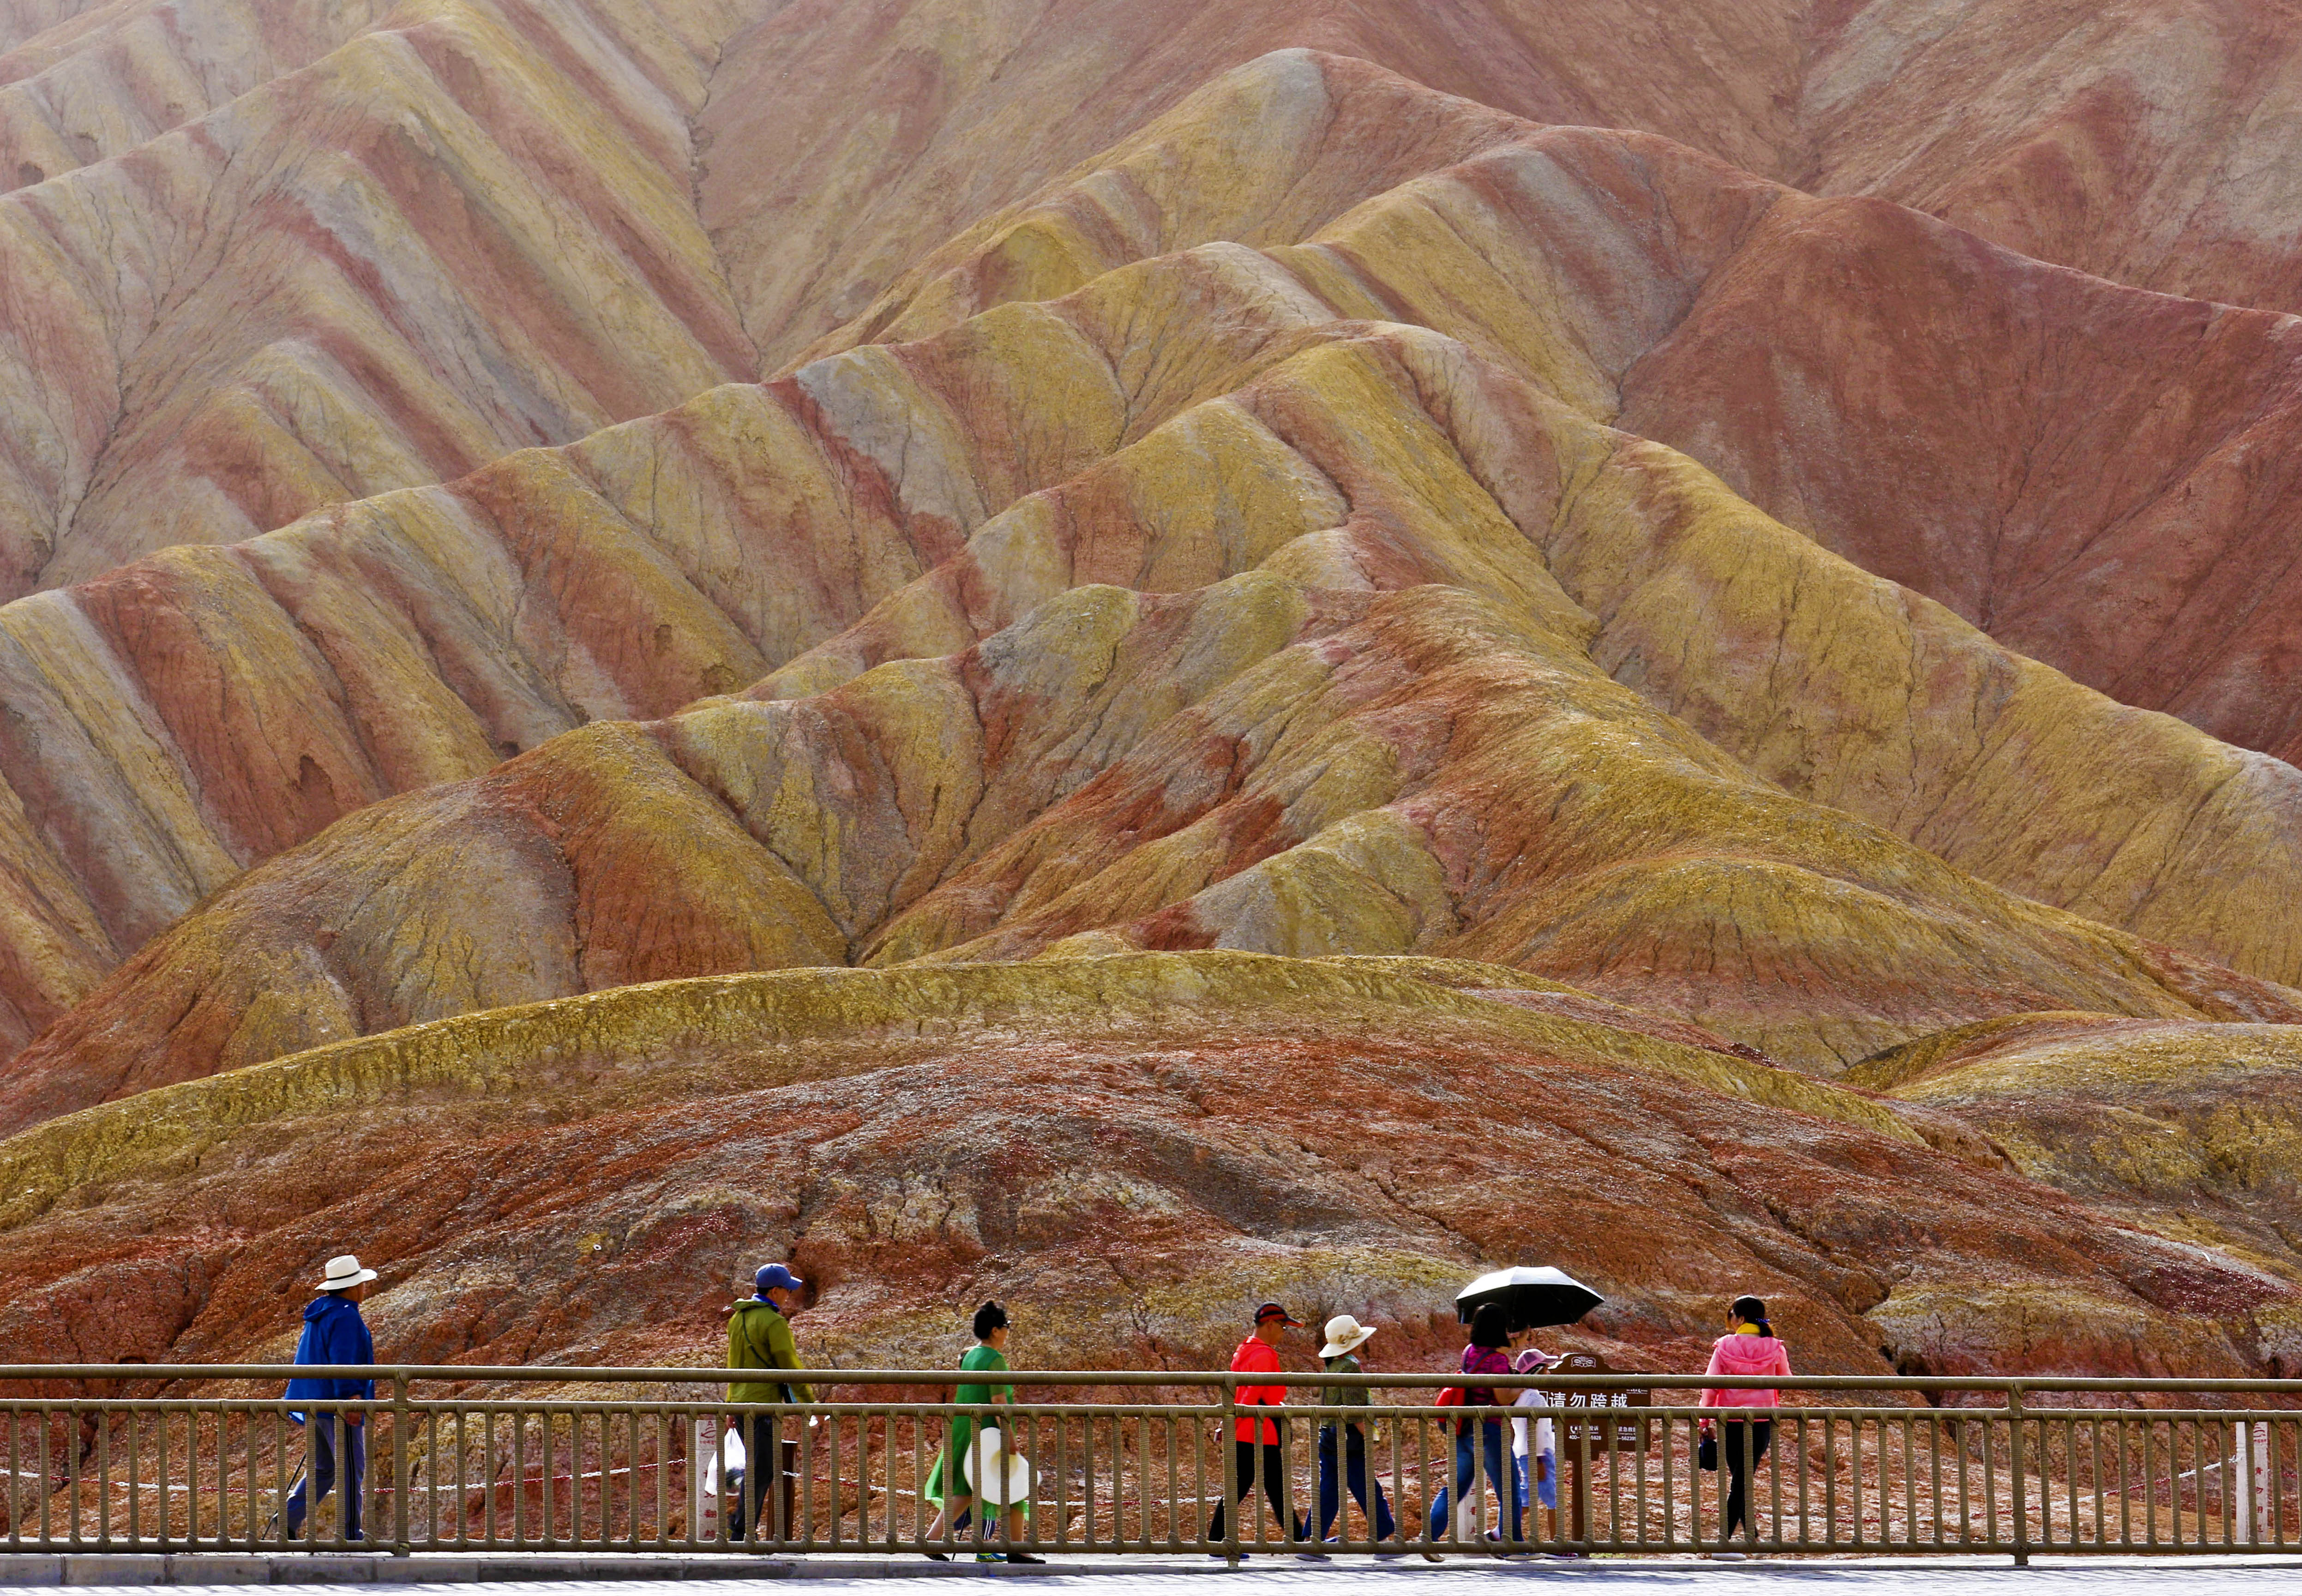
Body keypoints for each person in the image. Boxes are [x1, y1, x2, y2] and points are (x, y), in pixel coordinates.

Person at [923, 1301, 1041, 1565]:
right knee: (1010, 1484)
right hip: (987, 1431)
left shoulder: (971, 1356)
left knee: (970, 1487)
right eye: (1007, 1327)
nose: (1008, 1332)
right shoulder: (995, 1359)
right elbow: (999, 1400)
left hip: (964, 1427)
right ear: (996, 1331)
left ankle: (933, 1540)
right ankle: (1016, 1547)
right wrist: (1010, 1438)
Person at [282, 1254, 378, 1543]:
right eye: (361, 1283)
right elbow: (343, 1361)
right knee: (351, 1467)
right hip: (337, 1405)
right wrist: (350, 1398)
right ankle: (351, 1533)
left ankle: (288, 1519)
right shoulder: (346, 1315)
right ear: (352, 1287)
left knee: (325, 1469)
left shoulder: (320, 1314)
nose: (364, 1289)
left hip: (313, 1402)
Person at [1206, 1303, 1310, 1553]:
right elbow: (1253, 1393)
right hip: (1259, 1430)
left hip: (1249, 1429)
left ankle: (1297, 1542)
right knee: (1261, 1489)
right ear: (1271, 1325)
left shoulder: (1243, 1350)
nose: (1284, 1333)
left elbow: (1241, 1393)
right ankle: (1218, 1543)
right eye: (1283, 1327)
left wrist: (1229, 1422)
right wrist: (1234, 1420)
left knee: (1266, 1488)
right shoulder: (1264, 1354)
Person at [727, 1263, 814, 1544]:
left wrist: (730, 1404)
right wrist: (811, 1403)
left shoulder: (738, 1319)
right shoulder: (774, 1322)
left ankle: (741, 1529)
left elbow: (733, 1366)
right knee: (762, 1469)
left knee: (758, 1466)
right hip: (763, 1404)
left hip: (741, 1404)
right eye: (787, 1290)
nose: (789, 1295)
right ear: (775, 1291)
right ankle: (742, 1533)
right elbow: (789, 1365)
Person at [1700, 1294, 1791, 1559]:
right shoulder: (1775, 1346)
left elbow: (1710, 1386)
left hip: (1730, 1420)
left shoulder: (1725, 1346)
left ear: (1739, 1318)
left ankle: (1739, 1540)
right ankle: (1729, 1542)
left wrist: (1705, 1421)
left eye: (1731, 1315)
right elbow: (1786, 1380)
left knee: (1740, 1480)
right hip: (1762, 1421)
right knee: (1742, 1481)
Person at [1428, 1303, 1521, 1552]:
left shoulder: (1469, 1352)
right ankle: (1513, 1546)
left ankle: (1428, 1536)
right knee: (1509, 1489)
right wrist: (1524, 1381)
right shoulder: (1499, 1361)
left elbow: (1492, 1351)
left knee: (1454, 1489)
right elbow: (1503, 1398)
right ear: (1499, 1328)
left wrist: (1517, 1341)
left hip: (1466, 1428)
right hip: (1490, 1431)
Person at [1309, 1315, 1396, 1554]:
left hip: (1328, 1435)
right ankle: (1382, 1538)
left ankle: (1312, 1540)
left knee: (1329, 1489)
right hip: (1347, 1438)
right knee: (1368, 1487)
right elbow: (1356, 1411)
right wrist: (1371, 1435)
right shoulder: (1349, 1366)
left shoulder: (1332, 1365)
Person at [1509, 1348, 1557, 1529]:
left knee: (1526, 1500)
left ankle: (1500, 1533)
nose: (1549, 1373)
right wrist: (1538, 1461)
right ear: (1536, 1372)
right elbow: (1533, 1431)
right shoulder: (1535, 1399)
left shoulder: (1521, 1397)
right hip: (1539, 1455)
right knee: (1554, 1500)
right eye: (1545, 1369)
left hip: (1526, 1454)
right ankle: (1557, 1543)